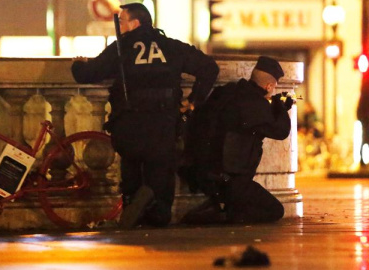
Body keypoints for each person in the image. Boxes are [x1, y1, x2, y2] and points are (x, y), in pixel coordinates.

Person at [71, 3, 219, 228]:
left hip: (130, 122)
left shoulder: (122, 47)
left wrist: (77, 65)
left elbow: (88, 74)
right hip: (164, 121)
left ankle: (135, 206)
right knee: (162, 169)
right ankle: (157, 211)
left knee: (131, 168)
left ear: (135, 23)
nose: (119, 26)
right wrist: (193, 100)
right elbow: (209, 67)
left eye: (122, 21)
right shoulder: (170, 46)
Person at [180, 56, 292, 224]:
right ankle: (224, 215)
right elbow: (282, 131)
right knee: (275, 210)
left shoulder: (224, 92)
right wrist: (280, 107)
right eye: (273, 88)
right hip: (230, 182)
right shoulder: (256, 105)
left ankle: (219, 206)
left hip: (200, 174)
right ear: (269, 86)